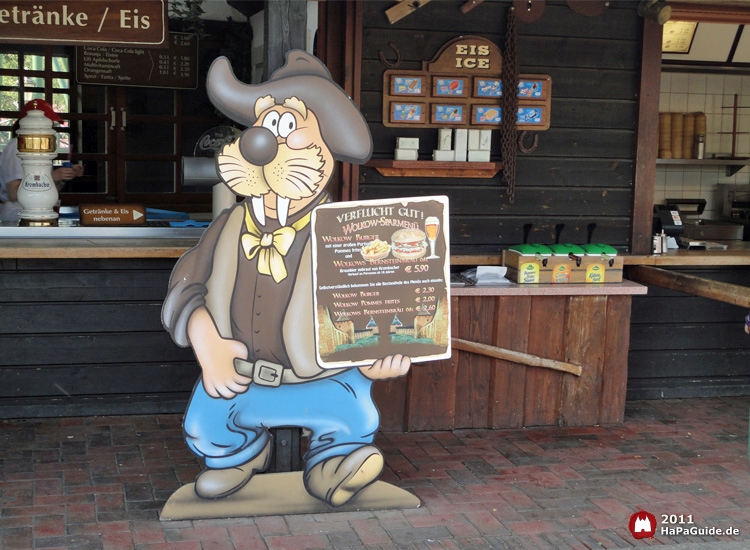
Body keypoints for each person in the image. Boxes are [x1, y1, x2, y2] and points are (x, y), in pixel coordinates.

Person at [0, 99, 83, 222]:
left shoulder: (40, 148)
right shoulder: (17, 147)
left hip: (42, 213)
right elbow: (14, 193)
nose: (51, 128)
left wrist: (64, 176)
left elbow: (45, 189)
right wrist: (53, 176)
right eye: (47, 123)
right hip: (18, 215)